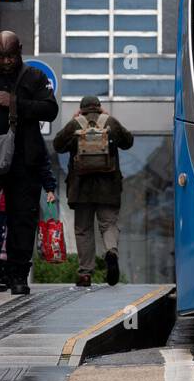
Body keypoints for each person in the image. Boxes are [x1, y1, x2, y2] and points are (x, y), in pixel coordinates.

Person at [0, 30, 60, 296]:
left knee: (22, 218)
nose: (7, 61)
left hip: (26, 159)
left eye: (11, 55)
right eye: (1, 57)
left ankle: (18, 274)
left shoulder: (35, 77)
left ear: (20, 50)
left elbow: (50, 109)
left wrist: (14, 102)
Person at [53, 95, 134, 288]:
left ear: (81, 109)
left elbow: (57, 145)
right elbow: (128, 141)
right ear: (99, 107)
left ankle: (85, 274)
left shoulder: (75, 124)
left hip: (81, 189)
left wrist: (75, 124)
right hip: (109, 187)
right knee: (108, 224)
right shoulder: (110, 122)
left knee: (83, 230)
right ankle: (111, 252)